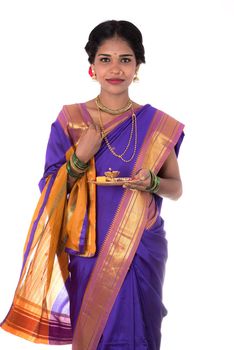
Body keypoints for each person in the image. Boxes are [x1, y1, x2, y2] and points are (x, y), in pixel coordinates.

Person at [0, 20, 184, 350]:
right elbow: (49, 187)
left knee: (140, 333)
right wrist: (80, 156)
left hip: (140, 245)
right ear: (92, 68)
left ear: (137, 67)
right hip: (88, 247)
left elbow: (176, 188)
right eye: (105, 59)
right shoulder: (70, 119)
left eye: (125, 59)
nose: (115, 68)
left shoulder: (157, 124)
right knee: (93, 333)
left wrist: (153, 181)